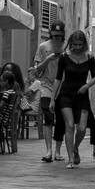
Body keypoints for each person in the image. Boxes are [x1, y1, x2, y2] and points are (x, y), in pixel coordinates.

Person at [55, 30, 95, 169]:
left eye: (80, 44)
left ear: (84, 44)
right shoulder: (64, 57)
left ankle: (75, 148)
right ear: (70, 43)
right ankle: (69, 159)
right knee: (69, 125)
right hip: (66, 94)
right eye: (74, 44)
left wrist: (86, 86)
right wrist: (52, 99)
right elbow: (58, 78)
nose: (77, 47)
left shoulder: (89, 57)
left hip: (82, 95)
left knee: (81, 128)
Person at [32, 22, 66, 162]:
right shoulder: (43, 47)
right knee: (48, 117)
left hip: (63, 86)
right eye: (55, 35)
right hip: (46, 85)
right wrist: (49, 59)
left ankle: (57, 151)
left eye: (60, 35)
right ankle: (48, 151)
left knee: (61, 120)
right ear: (51, 33)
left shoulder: (67, 47)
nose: (57, 38)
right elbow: (37, 69)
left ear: (63, 34)